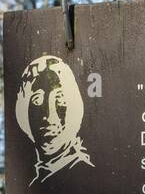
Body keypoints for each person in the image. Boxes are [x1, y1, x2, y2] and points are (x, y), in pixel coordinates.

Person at [15, 54, 94, 184]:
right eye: (37, 100)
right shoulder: (34, 186)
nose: (49, 117)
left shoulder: (86, 176)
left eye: (60, 99)